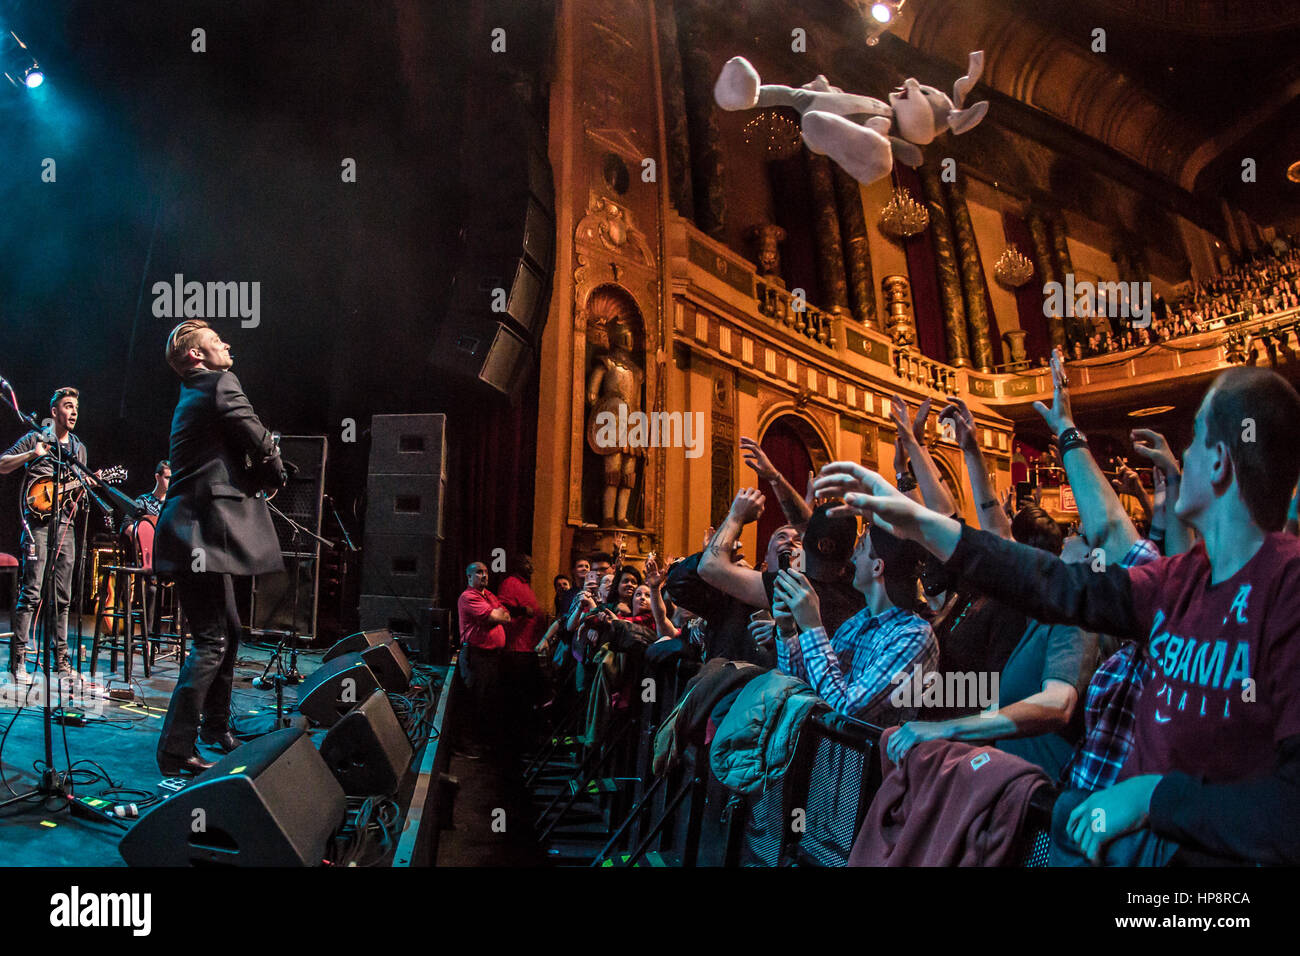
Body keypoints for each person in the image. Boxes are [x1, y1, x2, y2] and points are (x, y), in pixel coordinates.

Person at [814, 365, 1300, 865]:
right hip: (1099, 838)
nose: (1183, 457)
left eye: (1194, 439)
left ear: (1219, 462)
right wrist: (920, 523)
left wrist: (1154, 797)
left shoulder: (1288, 588)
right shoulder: (1180, 577)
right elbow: (1058, 585)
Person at [153, 321, 285, 775]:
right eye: (215, 340)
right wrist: (275, 473)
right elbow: (255, 435)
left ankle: (214, 727)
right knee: (212, 640)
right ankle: (175, 749)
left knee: (227, 631)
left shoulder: (195, 392)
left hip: (195, 531)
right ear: (196, 356)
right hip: (197, 534)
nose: (226, 343)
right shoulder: (219, 382)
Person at [772, 523, 936, 725]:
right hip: (817, 742)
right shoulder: (860, 621)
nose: (853, 559)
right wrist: (787, 630)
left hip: (861, 754)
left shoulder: (913, 636)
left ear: (877, 567)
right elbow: (801, 684)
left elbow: (846, 710)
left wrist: (813, 628)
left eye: (861, 549)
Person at [0, 387, 90, 683]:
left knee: (62, 598)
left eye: (76, 406)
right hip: (37, 525)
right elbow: (2, 464)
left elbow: (74, 490)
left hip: (66, 526)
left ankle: (61, 661)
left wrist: (87, 485)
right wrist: (31, 453)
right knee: (32, 593)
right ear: (54, 412)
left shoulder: (78, 449)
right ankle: (18, 661)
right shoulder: (36, 438)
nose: (74, 411)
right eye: (68, 406)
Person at [456, 560, 511, 758]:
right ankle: (467, 745)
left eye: (486, 572)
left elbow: (506, 615)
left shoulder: (488, 595)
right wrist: (496, 615)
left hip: (491, 657)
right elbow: (495, 616)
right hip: (476, 655)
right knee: (474, 701)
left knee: (487, 701)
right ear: (469, 577)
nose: (484, 576)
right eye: (479, 572)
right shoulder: (468, 596)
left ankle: (480, 743)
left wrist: (498, 614)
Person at [499, 553, 544, 751]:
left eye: (531, 562)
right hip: (516, 650)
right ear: (517, 565)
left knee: (527, 698)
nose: (530, 565)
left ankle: (524, 739)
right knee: (517, 698)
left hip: (528, 648)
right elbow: (504, 608)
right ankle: (513, 743)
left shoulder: (525, 585)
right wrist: (522, 611)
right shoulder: (510, 582)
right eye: (526, 562)